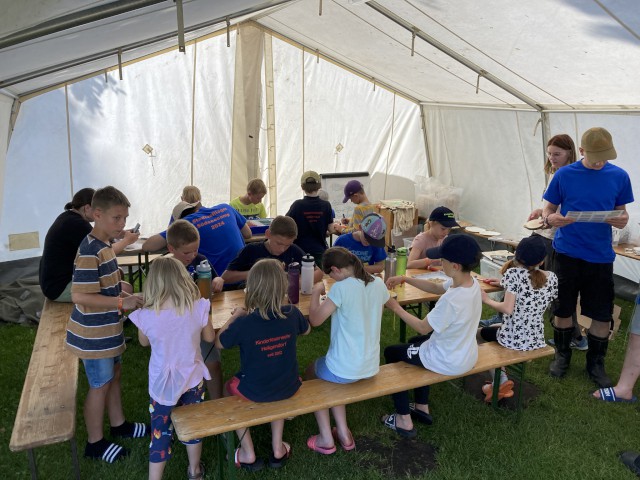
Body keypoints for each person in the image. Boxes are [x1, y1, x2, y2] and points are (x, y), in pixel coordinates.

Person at [543, 127, 633, 387]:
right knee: (563, 307)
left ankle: (596, 364)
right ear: (581, 152)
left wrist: (622, 220)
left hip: (601, 256)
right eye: (595, 156)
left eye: (605, 156)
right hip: (567, 252)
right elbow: (548, 208)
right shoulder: (564, 175)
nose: (600, 161)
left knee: (602, 313)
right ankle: (562, 357)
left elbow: (622, 213)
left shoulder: (619, 176)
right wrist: (551, 218)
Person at [66, 186, 147, 463]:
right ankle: (95, 442)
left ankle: (119, 424)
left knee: (114, 374)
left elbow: (110, 290)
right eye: (117, 218)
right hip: (94, 335)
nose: (122, 224)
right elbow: (80, 295)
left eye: (125, 218)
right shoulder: (90, 251)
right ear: (97, 215)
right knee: (100, 383)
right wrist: (121, 304)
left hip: (108, 331)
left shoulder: (105, 248)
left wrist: (128, 296)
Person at [382, 235, 482, 437]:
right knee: (413, 344)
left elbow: (422, 327)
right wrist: (405, 278)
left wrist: (394, 306)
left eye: (441, 260)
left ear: (454, 265)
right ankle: (421, 407)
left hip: (446, 359)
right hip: (464, 354)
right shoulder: (470, 284)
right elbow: (437, 287)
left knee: (392, 353)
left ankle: (403, 420)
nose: (439, 262)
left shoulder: (453, 300)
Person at [216, 259, 310, 470]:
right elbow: (307, 330)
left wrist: (234, 318)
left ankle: (247, 451)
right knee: (277, 388)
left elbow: (219, 343)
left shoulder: (244, 323)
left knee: (227, 388)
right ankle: (277, 447)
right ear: (283, 287)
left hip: (254, 389)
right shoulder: (292, 313)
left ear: (253, 289)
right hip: (288, 385)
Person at [129, 257, 213, 480]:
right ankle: (194, 470)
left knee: (160, 432)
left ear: (152, 284)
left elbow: (144, 343)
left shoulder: (146, 315)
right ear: (184, 278)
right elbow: (210, 337)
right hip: (192, 378)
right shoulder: (199, 306)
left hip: (161, 384)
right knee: (193, 426)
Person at [305, 247, 392, 454]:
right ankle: (343, 432)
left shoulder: (341, 288)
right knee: (332, 373)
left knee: (311, 374)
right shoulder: (377, 283)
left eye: (331, 276)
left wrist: (316, 292)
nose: (332, 279)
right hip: (370, 366)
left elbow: (315, 320)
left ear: (335, 270)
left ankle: (326, 437)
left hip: (345, 368)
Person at [522, 134, 585, 349]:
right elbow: (553, 206)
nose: (551, 158)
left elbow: (571, 211)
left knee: (555, 287)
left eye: (557, 154)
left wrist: (551, 218)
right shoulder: (556, 174)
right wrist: (541, 211)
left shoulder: (574, 176)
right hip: (544, 233)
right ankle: (510, 311)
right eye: (549, 154)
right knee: (526, 272)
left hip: (554, 238)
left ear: (570, 153)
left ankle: (574, 337)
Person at [477, 236, 558, 402]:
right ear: (542, 260)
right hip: (534, 338)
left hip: (513, 337)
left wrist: (487, 300)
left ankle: (500, 381)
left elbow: (507, 308)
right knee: (498, 327)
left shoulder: (514, 274)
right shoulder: (552, 277)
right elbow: (531, 291)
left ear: (517, 255)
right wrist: (503, 285)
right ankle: (500, 380)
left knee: (478, 334)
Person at [166, 219, 224, 399]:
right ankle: (175, 404)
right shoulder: (165, 269)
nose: (192, 255)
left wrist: (218, 280)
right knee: (180, 368)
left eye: (195, 250)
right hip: (177, 328)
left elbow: (215, 278)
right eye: (186, 252)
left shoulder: (201, 260)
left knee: (212, 362)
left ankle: (217, 402)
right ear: (171, 249)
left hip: (201, 321)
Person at [143, 202, 251, 280]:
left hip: (222, 281)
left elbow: (147, 246)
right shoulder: (226, 207)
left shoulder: (188, 222)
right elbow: (248, 233)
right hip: (247, 276)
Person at [221, 215, 323, 285]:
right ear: (268, 234)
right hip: (255, 299)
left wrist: (300, 282)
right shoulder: (251, 250)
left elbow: (318, 272)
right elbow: (225, 277)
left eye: (287, 245)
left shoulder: (294, 250)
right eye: (278, 243)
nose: (282, 249)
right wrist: (254, 273)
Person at [40, 188, 95, 302]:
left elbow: (97, 237)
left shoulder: (67, 217)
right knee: (115, 286)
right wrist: (126, 241)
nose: (99, 213)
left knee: (112, 277)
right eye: (98, 209)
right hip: (60, 288)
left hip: (51, 284)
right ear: (87, 207)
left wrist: (120, 234)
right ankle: (111, 317)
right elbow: (103, 250)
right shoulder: (78, 224)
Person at [286, 171, 341, 266]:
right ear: (319, 186)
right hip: (319, 250)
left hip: (299, 250)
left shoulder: (297, 205)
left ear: (302, 187)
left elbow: (286, 223)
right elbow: (331, 229)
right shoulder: (326, 205)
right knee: (319, 278)